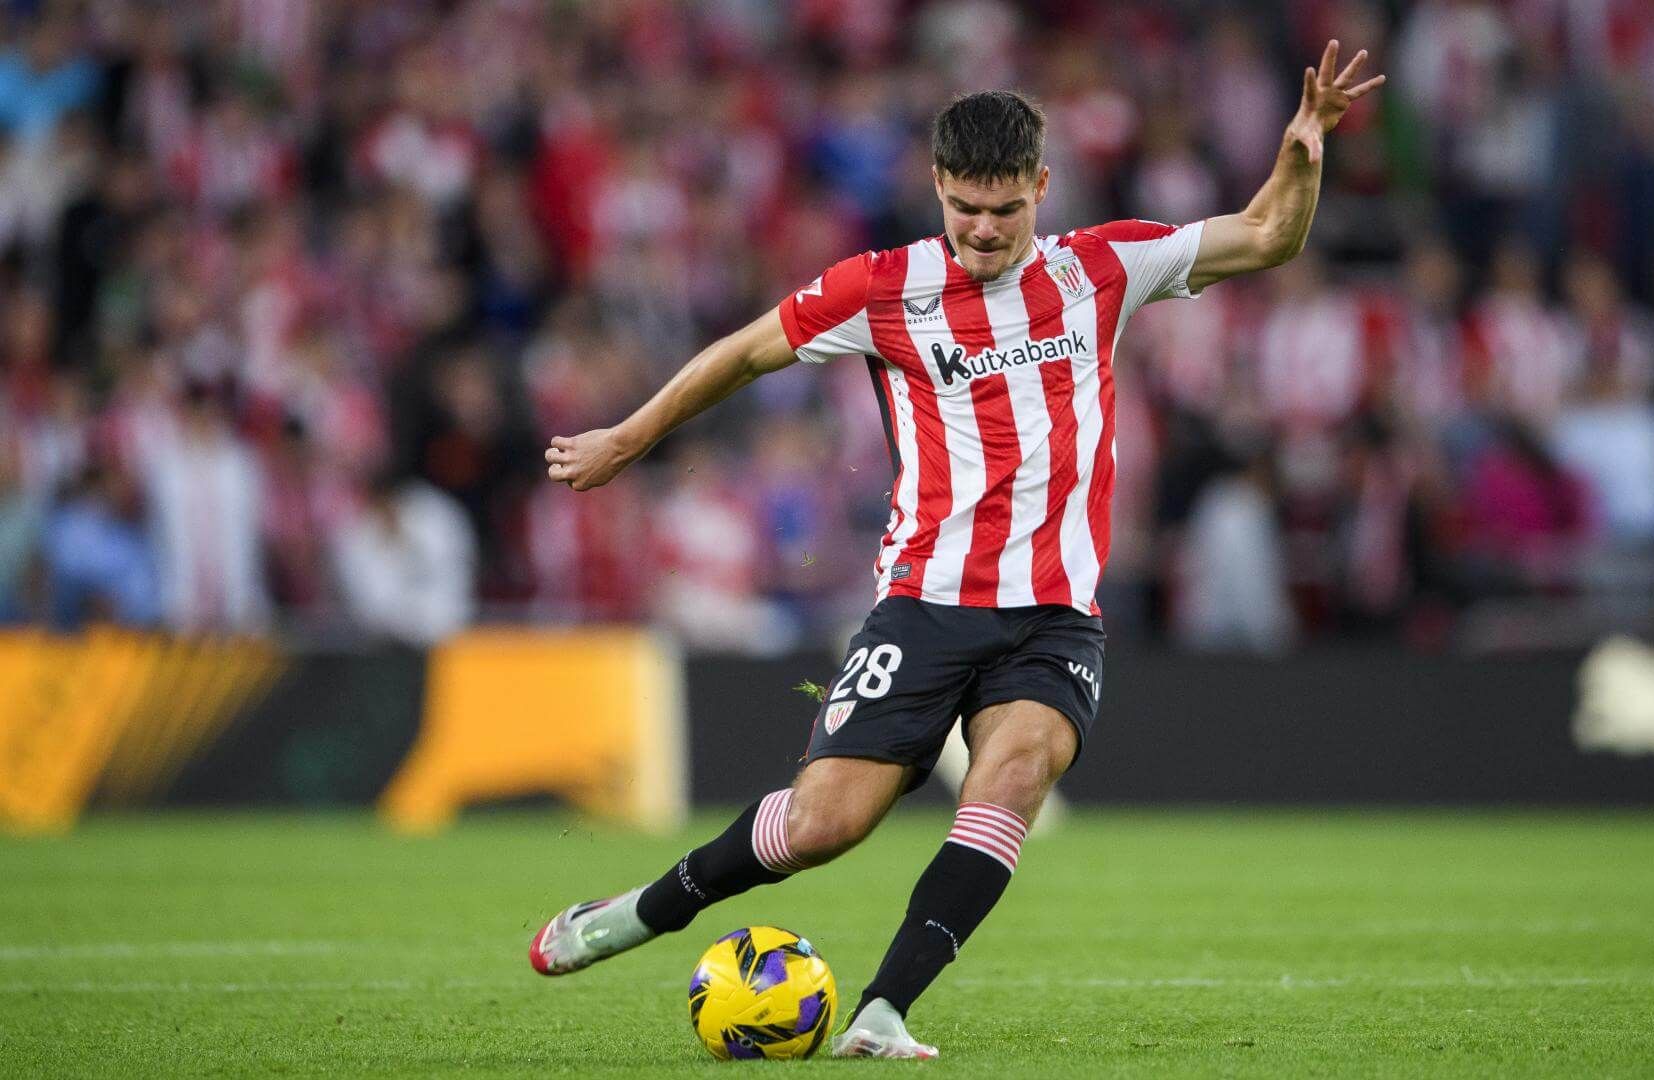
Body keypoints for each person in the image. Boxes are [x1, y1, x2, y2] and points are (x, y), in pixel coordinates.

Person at [532, 42, 1384, 1059]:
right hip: (922, 604)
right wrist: (629, 436)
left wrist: (1304, 151)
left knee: (1014, 771)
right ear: (939, 185)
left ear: (1041, 187)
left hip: (1055, 615)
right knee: (823, 826)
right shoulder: (884, 288)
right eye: (965, 208)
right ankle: (640, 912)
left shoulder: (1103, 267)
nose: (982, 230)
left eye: (1004, 209)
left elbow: (1267, 237)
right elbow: (747, 351)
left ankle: (886, 1009)